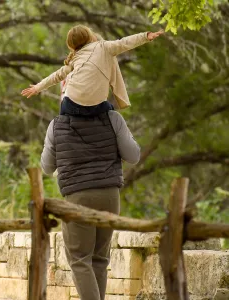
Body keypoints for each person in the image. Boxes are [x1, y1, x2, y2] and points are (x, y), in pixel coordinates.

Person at [41, 108, 141, 300]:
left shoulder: (57, 124)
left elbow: (46, 166)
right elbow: (133, 156)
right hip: (110, 196)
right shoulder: (113, 118)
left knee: (80, 259)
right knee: (99, 259)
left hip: (77, 197)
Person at [21, 25, 163, 115]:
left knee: (61, 120)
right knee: (112, 115)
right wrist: (146, 36)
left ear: (72, 46)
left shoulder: (76, 57)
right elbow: (125, 42)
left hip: (71, 104)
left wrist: (38, 87)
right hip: (96, 106)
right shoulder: (104, 47)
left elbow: (57, 75)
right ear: (90, 36)